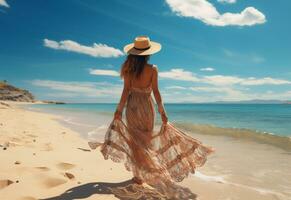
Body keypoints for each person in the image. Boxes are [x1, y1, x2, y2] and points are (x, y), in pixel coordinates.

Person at [89, 36, 214, 197]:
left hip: (132, 107)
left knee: (135, 142)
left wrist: (118, 111)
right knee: (146, 141)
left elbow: (125, 91)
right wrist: (163, 112)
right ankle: (148, 172)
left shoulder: (128, 69)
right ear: (148, 53)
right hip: (147, 108)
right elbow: (156, 93)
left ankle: (138, 176)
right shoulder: (153, 69)